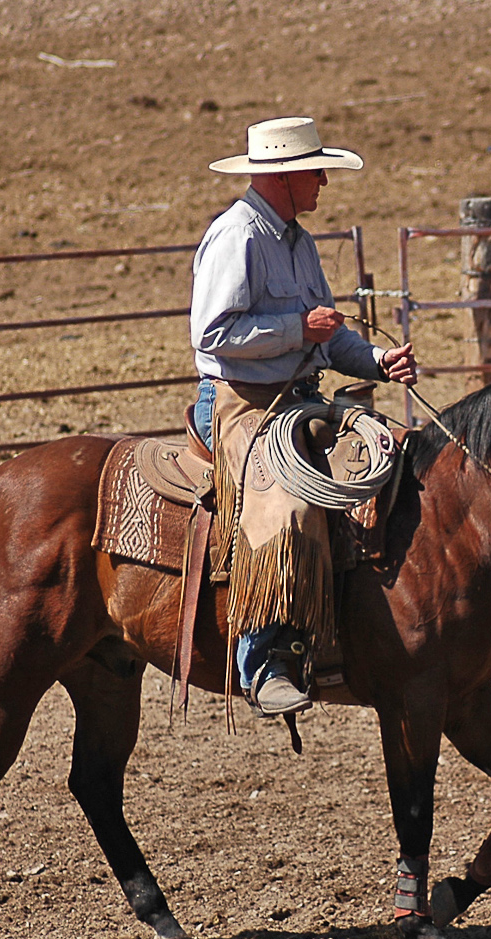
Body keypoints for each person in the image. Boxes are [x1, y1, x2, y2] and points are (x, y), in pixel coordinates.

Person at [190, 116, 418, 717]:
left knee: (387, 457)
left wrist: (375, 361)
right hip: (239, 401)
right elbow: (211, 333)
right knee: (285, 499)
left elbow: (330, 337)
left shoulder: (298, 242)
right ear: (285, 176)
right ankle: (265, 662)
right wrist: (298, 328)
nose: (323, 181)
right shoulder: (237, 236)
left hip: (295, 398)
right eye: (315, 170)